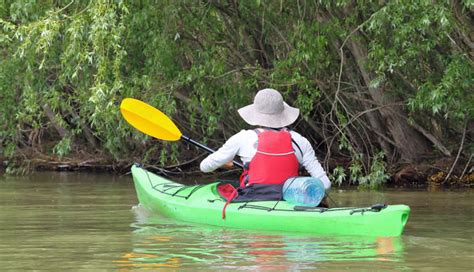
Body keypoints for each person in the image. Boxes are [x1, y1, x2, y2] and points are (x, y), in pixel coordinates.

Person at [200, 88, 331, 208]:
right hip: (289, 201)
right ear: (282, 113)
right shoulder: (300, 141)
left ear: (255, 114)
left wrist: (223, 164)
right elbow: (325, 184)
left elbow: (204, 167)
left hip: (252, 200)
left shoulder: (242, 138)